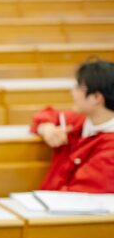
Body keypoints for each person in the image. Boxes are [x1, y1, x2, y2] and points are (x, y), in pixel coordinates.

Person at [31, 59, 114, 193]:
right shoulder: (81, 120)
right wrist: (47, 128)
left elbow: (79, 194)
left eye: (77, 87)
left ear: (96, 97)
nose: (72, 92)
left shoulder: (110, 150)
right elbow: (46, 115)